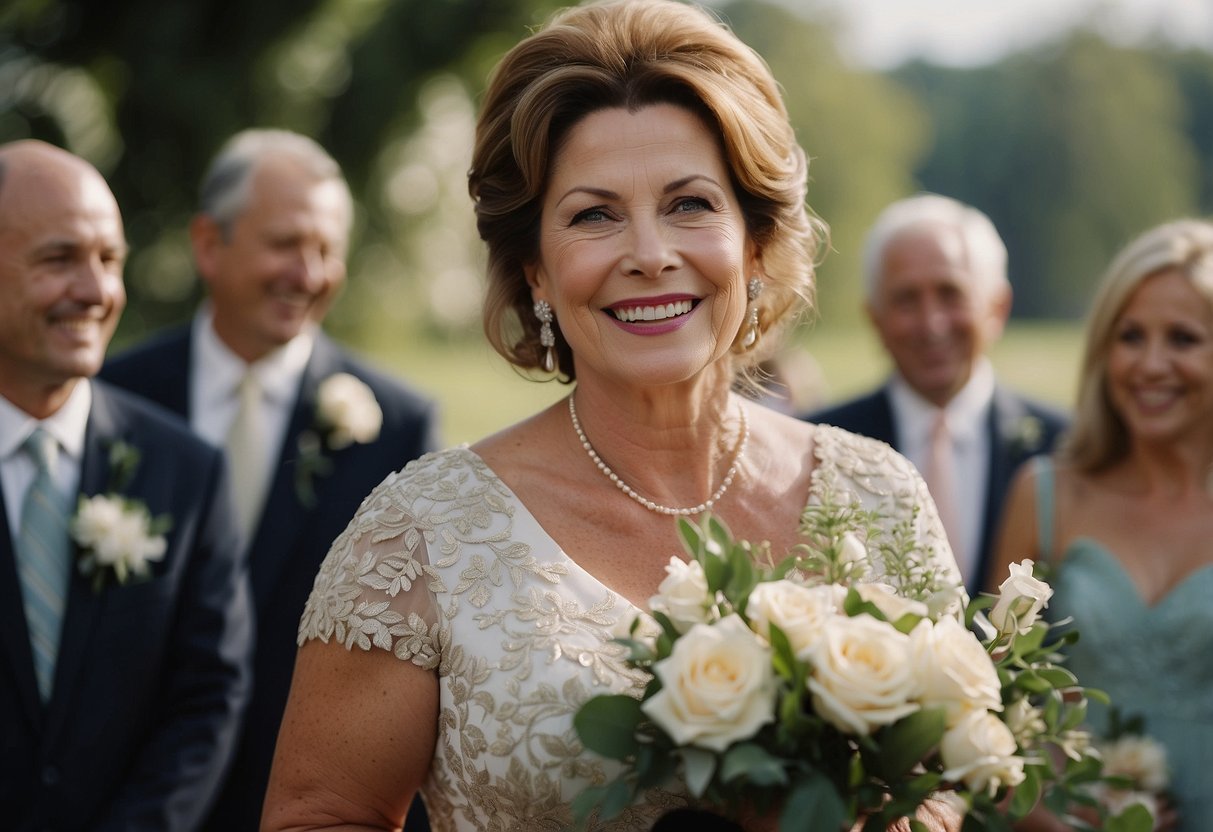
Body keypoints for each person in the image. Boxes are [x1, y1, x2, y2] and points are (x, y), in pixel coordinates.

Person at [261, 2, 965, 831]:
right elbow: (320, 815)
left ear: (752, 241)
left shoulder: (877, 498)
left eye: (690, 204)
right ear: (533, 271)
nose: (648, 253)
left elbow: (942, 789)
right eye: (594, 215)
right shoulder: (418, 540)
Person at [99, 129, 440, 831]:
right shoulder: (115, 397)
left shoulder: (400, 428)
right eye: (286, 243)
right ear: (207, 244)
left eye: (326, 250)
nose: (309, 273)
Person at [0, 141, 253, 830]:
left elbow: (207, 697)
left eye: (109, 260)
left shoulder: (187, 473)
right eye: (59, 259)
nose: (95, 291)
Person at [987, 218, 1213, 832]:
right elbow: (984, 706)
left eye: (1184, 339)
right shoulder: (1044, 496)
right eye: (1130, 335)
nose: (1150, 364)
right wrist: (1052, 815)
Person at [805, 194, 1067, 594]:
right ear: (874, 318)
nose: (932, 324)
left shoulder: (1065, 446)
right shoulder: (816, 447)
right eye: (906, 299)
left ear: (997, 307)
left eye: (950, 293)